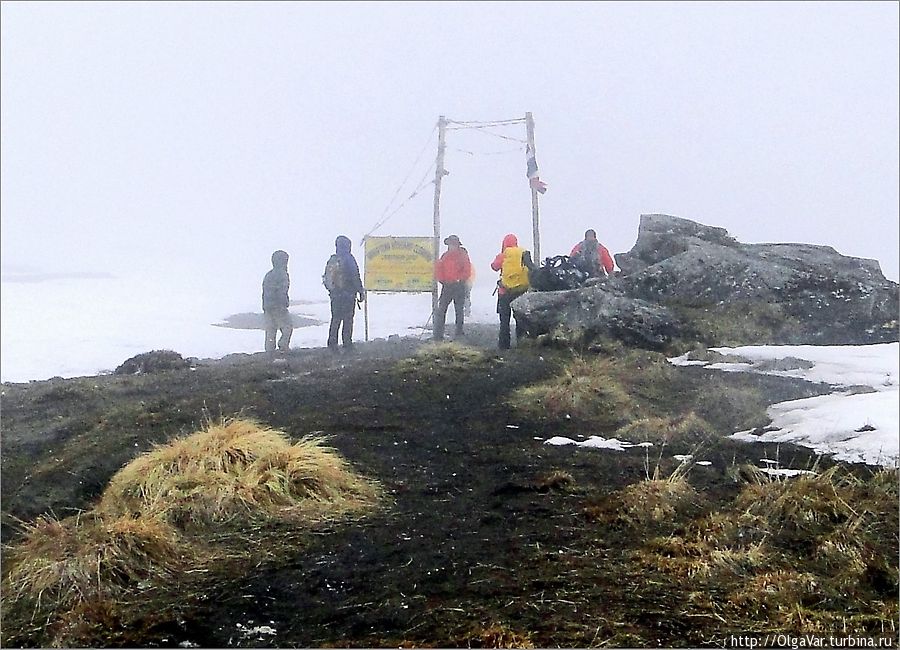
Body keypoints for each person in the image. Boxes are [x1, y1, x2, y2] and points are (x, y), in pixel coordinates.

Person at [490, 233, 535, 349]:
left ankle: (504, 345)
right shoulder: (523, 252)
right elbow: (532, 267)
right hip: (521, 291)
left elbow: (494, 267)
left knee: (504, 321)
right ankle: (521, 342)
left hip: (504, 292)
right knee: (520, 319)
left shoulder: (503, 255)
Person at [323, 235, 366, 350]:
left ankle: (332, 343)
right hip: (348, 295)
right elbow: (355, 275)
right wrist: (360, 291)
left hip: (335, 295)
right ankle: (347, 343)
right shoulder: (349, 258)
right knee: (348, 319)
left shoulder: (333, 259)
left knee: (335, 318)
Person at [433, 234, 472, 340]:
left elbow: (467, 270)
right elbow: (439, 269)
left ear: (457, 245)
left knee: (458, 309)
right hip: (447, 285)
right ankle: (438, 333)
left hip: (459, 286)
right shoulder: (445, 256)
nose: (451, 246)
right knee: (442, 310)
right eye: (450, 244)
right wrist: (442, 280)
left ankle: (459, 332)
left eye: (453, 244)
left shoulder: (463, 255)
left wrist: (459, 279)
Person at [262, 249, 293, 353]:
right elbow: (282, 291)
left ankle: (269, 350)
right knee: (287, 326)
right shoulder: (283, 274)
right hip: (278, 306)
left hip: (267, 306)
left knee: (270, 329)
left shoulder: (268, 275)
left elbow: (264, 292)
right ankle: (283, 344)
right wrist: (284, 303)